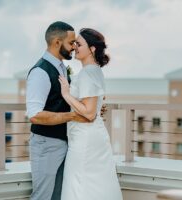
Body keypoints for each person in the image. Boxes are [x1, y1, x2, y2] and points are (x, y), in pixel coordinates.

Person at [26, 21, 90, 200]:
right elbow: (35, 115)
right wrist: (74, 116)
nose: (74, 47)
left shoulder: (61, 68)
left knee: (58, 196)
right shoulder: (40, 72)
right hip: (46, 145)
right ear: (56, 42)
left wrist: (90, 107)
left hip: (63, 142)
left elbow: (62, 100)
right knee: (43, 196)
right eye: (71, 43)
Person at [59, 28, 123, 200]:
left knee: (78, 185)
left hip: (85, 139)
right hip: (91, 136)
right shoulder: (95, 71)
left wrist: (66, 95)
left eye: (79, 44)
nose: (75, 47)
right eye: (74, 43)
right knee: (94, 185)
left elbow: (89, 113)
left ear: (92, 49)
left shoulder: (88, 73)